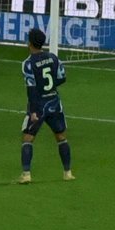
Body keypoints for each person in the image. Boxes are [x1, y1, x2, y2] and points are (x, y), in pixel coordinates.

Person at [19, 28, 74, 184]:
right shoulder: (53, 58)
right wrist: (49, 86)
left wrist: (33, 111)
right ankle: (68, 173)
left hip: (39, 105)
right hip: (54, 102)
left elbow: (31, 89)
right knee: (61, 137)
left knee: (28, 138)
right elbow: (62, 78)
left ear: (30, 43)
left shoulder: (28, 64)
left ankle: (26, 174)